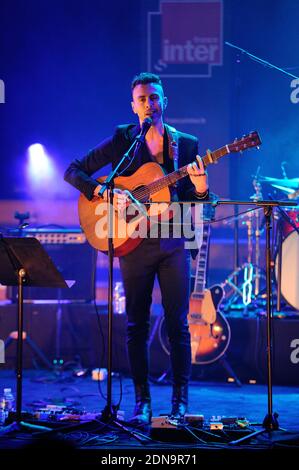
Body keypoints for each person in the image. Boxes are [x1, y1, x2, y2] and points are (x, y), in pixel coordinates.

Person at [64, 72, 209, 425]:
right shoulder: (123, 139)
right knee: (136, 325)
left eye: (154, 97)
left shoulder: (185, 144)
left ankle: (179, 402)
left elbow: (193, 200)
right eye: (142, 99)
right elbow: (74, 171)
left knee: (178, 325)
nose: (149, 104)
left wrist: (201, 187)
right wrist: (103, 191)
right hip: (131, 243)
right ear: (133, 106)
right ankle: (142, 402)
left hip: (173, 241)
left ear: (164, 101)